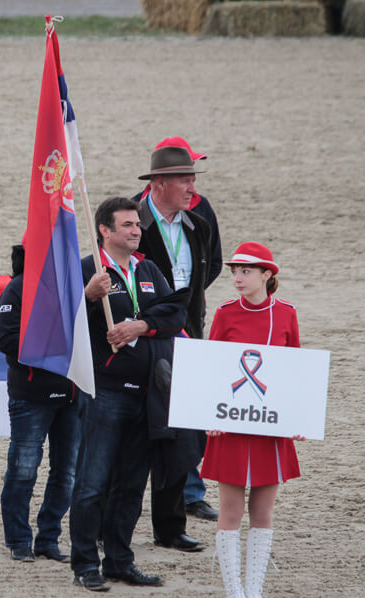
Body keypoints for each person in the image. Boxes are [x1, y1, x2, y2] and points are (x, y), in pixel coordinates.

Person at [70, 197, 187, 592]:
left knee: (132, 485)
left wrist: (140, 326)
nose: (137, 230)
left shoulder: (147, 268)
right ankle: (86, 564)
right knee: (92, 483)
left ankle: (120, 561)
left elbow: (175, 314)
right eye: (128, 225)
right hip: (105, 392)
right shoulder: (88, 270)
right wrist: (87, 295)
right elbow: (58, 321)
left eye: (137, 224)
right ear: (104, 230)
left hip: (147, 394)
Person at [201, 242, 306, 598]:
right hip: (230, 427)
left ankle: (255, 594)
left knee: (263, 511)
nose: (237, 278)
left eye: (246, 271)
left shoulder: (287, 314)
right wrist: (211, 415)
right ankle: (234, 596)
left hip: (269, 428)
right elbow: (212, 367)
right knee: (230, 511)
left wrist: (297, 418)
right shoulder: (225, 313)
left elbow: (295, 371)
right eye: (234, 271)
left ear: (267, 275)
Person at [134, 142, 217, 559]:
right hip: (144, 341)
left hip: (188, 339)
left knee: (181, 435)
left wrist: (188, 317)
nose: (192, 188)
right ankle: (113, 527)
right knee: (132, 437)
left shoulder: (198, 225)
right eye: (185, 180)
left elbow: (209, 269)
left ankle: (171, 528)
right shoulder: (132, 221)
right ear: (160, 183)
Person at [0, 243, 80, 563]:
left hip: (71, 395)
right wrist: (56, 339)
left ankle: (48, 539)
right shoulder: (16, 289)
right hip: (31, 396)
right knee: (23, 470)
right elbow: (7, 340)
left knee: (66, 473)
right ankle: (18, 539)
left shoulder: (73, 289)